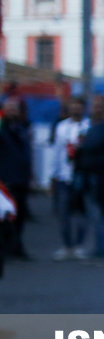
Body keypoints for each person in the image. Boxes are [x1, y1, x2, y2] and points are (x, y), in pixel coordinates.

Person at [74, 93, 104, 260]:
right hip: (87, 174)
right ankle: (95, 247)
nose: (96, 109)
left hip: (98, 177)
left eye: (99, 106)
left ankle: (102, 250)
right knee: (90, 213)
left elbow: (90, 145)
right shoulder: (89, 125)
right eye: (94, 105)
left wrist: (81, 143)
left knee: (99, 214)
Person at [50, 96, 89, 261]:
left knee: (81, 212)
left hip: (81, 174)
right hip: (64, 176)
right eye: (73, 106)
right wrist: (53, 174)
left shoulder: (88, 126)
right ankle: (66, 245)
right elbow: (57, 152)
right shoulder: (61, 127)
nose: (76, 109)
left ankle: (79, 245)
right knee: (63, 213)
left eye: (79, 106)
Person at [0, 96, 34, 258]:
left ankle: (16, 247)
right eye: (9, 107)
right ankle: (8, 248)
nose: (12, 110)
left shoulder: (22, 128)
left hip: (22, 178)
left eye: (15, 107)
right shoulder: (3, 128)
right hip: (7, 179)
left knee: (20, 216)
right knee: (8, 216)